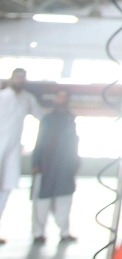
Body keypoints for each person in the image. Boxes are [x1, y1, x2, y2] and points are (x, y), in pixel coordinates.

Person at [0, 68, 42, 245]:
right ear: (11, 79)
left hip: (12, 152)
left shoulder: (28, 99)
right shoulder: (2, 96)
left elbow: (41, 116)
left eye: (23, 77)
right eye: (17, 77)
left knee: (5, 189)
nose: (20, 80)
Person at [31, 88, 79, 244]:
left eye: (65, 97)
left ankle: (64, 232)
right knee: (42, 200)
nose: (62, 99)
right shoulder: (48, 119)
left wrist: (75, 163)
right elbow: (39, 141)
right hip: (46, 165)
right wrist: (36, 162)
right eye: (59, 96)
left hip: (66, 167)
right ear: (55, 99)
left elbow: (74, 143)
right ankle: (38, 232)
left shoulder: (71, 119)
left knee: (64, 199)